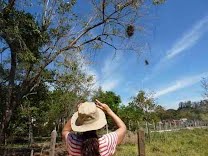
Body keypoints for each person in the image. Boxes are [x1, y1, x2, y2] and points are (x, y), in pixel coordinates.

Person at [62, 99, 126, 156]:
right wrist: (108, 110)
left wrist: (79, 113)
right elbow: (123, 127)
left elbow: (65, 130)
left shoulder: (73, 142)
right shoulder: (106, 142)